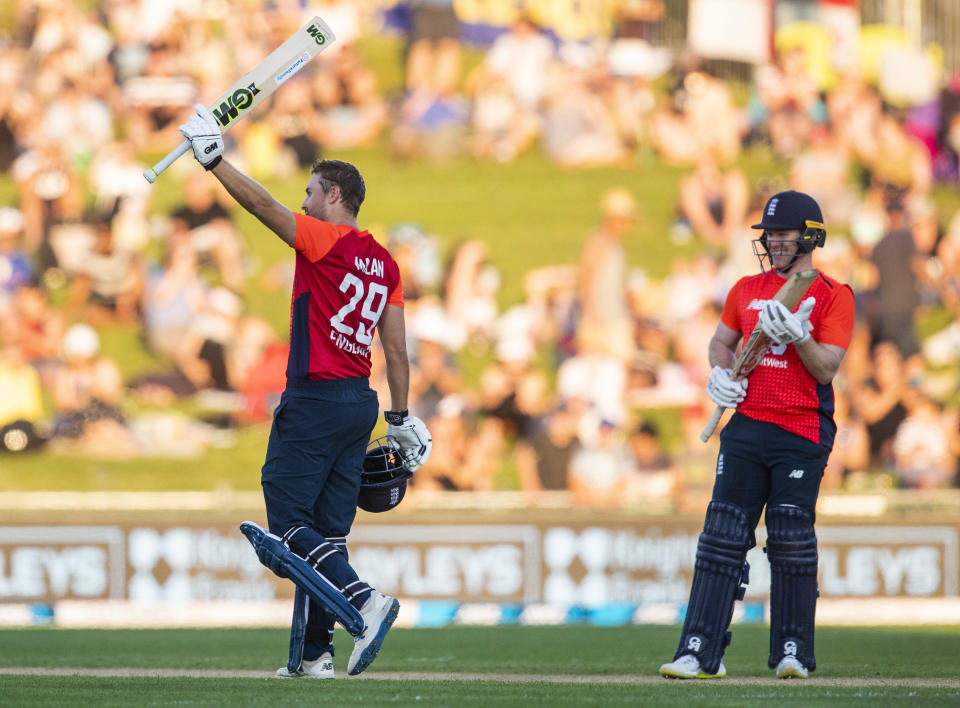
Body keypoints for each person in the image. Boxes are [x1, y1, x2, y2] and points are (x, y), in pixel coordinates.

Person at [176, 105, 432, 678]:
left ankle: (363, 601)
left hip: (315, 398)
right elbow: (394, 350)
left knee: (288, 523)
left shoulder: (326, 240)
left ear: (335, 195)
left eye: (312, 191)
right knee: (328, 535)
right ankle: (314, 654)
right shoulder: (385, 262)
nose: (304, 199)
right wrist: (400, 416)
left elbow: (264, 207)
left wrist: (215, 160)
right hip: (359, 403)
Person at [659, 191, 855, 680]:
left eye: (782, 234)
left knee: (790, 536)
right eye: (768, 234)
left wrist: (798, 336)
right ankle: (699, 651)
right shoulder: (746, 289)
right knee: (723, 535)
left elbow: (827, 368)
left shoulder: (834, 294)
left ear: (810, 235)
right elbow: (721, 343)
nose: (772, 241)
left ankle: (793, 651)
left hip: (802, 428)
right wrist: (720, 373)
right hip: (746, 425)